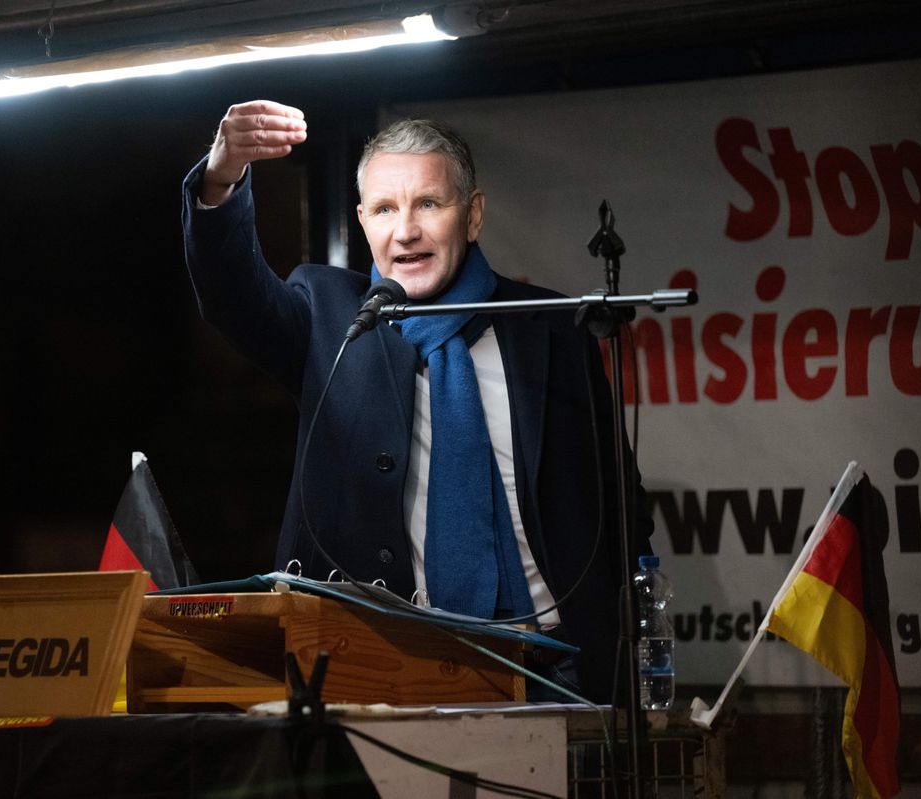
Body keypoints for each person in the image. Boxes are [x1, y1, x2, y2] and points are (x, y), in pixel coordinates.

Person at [182, 100, 652, 703]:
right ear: (362, 221)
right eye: (384, 209)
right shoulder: (330, 317)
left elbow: (618, 500)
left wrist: (631, 632)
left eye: (428, 203)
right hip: (388, 670)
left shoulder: (550, 329)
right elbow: (232, 297)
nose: (405, 230)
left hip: (556, 670)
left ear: (473, 214)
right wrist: (223, 176)